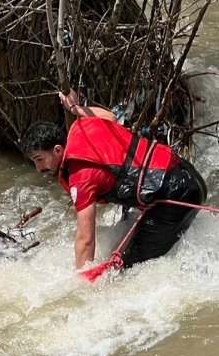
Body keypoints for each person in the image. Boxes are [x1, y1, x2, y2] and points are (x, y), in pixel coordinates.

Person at [20, 91, 207, 271]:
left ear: (58, 150)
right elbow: (110, 116)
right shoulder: (82, 127)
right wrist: (76, 107)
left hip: (176, 196)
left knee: (127, 269)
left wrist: (81, 284)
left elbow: (85, 238)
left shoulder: (81, 177)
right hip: (189, 176)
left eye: (39, 159)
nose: (39, 168)